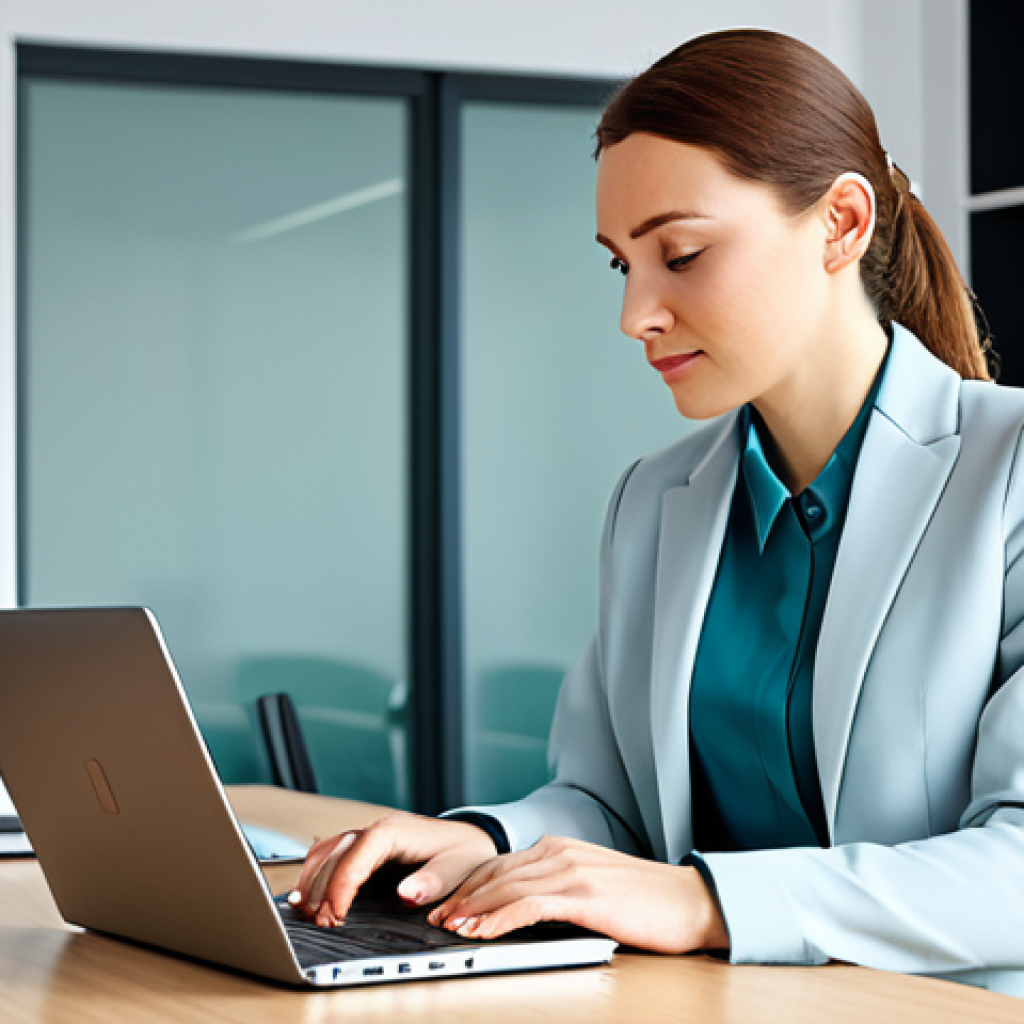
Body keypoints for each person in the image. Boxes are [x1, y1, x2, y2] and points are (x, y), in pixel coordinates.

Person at [289, 29, 1024, 993]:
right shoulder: (653, 498)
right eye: (620, 265)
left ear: (842, 224)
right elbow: (608, 805)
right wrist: (476, 840)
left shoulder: (1006, 469)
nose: (637, 314)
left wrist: (703, 901)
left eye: (681, 254)